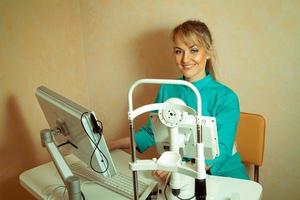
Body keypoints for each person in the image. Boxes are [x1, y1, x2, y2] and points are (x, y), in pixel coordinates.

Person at [108, 19, 249, 180]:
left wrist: (180, 168)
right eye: (178, 51)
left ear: (208, 52)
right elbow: (150, 133)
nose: (185, 59)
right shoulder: (167, 89)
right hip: (181, 175)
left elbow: (221, 150)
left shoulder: (226, 97)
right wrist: (110, 145)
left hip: (223, 175)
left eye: (194, 50)